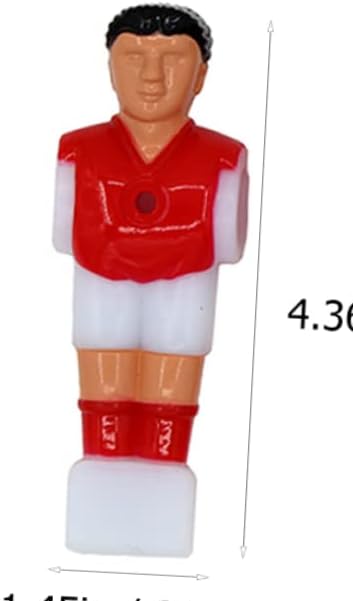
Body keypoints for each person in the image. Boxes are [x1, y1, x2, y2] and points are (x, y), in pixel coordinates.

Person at [53, 4, 248, 556]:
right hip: (103, 290)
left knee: (170, 396)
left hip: (183, 296)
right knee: (104, 399)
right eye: (134, 57)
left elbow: (227, 240)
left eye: (174, 59)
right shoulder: (78, 152)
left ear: (201, 75)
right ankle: (104, 489)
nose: (153, 76)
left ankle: (159, 492)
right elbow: (64, 233)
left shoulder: (223, 160)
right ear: (110, 68)